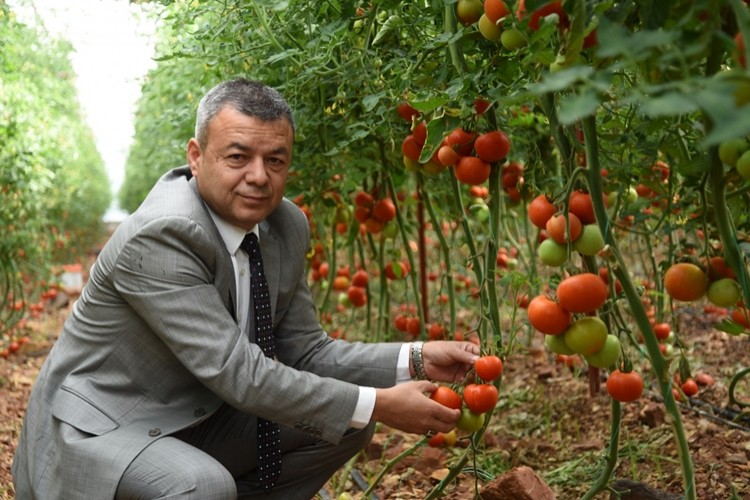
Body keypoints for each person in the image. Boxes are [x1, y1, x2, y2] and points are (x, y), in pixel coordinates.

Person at [12, 78, 480, 500]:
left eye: (275, 160)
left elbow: (308, 351)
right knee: (202, 484)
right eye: (238, 157)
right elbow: (236, 371)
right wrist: (378, 401)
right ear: (196, 157)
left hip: (190, 415)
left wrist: (415, 358)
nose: (259, 176)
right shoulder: (162, 235)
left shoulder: (285, 225)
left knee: (345, 425)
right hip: (102, 428)